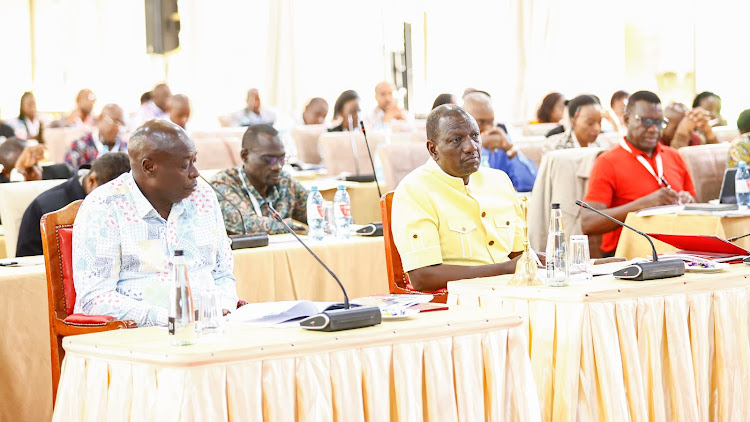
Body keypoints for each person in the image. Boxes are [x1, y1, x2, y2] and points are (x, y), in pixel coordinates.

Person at [72, 120, 238, 327]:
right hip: (133, 338)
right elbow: (95, 298)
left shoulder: (203, 197)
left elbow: (222, 274)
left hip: (208, 329)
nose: (195, 173)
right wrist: (171, 320)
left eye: (195, 161)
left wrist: (223, 307)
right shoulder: (104, 205)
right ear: (149, 167)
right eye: (185, 165)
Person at [391, 104, 524, 291]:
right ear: (433, 150)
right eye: (456, 139)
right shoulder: (414, 189)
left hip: (513, 293)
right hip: (457, 302)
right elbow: (422, 277)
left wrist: (540, 260)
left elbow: (519, 255)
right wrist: (502, 270)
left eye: (475, 136)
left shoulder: (499, 180)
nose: (471, 147)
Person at [581, 91, 696, 257]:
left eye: (659, 123)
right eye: (646, 121)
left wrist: (688, 201)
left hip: (676, 250)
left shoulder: (674, 156)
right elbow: (588, 222)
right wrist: (640, 205)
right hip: (628, 256)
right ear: (627, 120)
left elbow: (696, 204)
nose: (653, 129)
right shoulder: (607, 162)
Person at [16, 152, 131, 257]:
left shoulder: (130, 199)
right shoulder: (45, 208)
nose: (116, 204)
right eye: (110, 197)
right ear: (91, 181)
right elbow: (27, 264)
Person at [210, 124, 308, 234]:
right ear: (245, 156)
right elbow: (247, 224)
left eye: (281, 159)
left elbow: (318, 212)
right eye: (268, 159)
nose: (277, 167)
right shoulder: (223, 184)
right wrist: (289, 226)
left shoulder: (284, 181)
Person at [461, 92, 537, 192]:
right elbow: (471, 187)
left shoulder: (500, 142)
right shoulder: (455, 146)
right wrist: (479, 146)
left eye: (491, 121)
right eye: (481, 122)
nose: (488, 127)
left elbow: (529, 184)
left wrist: (509, 148)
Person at [64, 104, 127, 169]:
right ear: (101, 118)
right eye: (115, 122)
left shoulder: (125, 149)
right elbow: (71, 173)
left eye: (122, 124)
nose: (118, 128)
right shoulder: (80, 146)